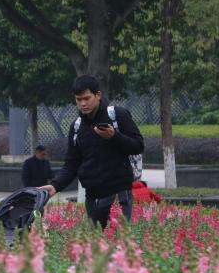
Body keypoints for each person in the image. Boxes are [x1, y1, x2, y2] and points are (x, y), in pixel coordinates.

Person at [39, 75, 144, 229]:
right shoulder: (76, 126)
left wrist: (114, 136)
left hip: (119, 193)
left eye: (87, 98)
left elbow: (138, 146)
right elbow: (71, 164)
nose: (83, 103)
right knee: (95, 245)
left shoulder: (118, 115)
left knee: (119, 243)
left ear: (98, 95)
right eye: (78, 99)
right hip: (93, 196)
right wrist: (55, 186)